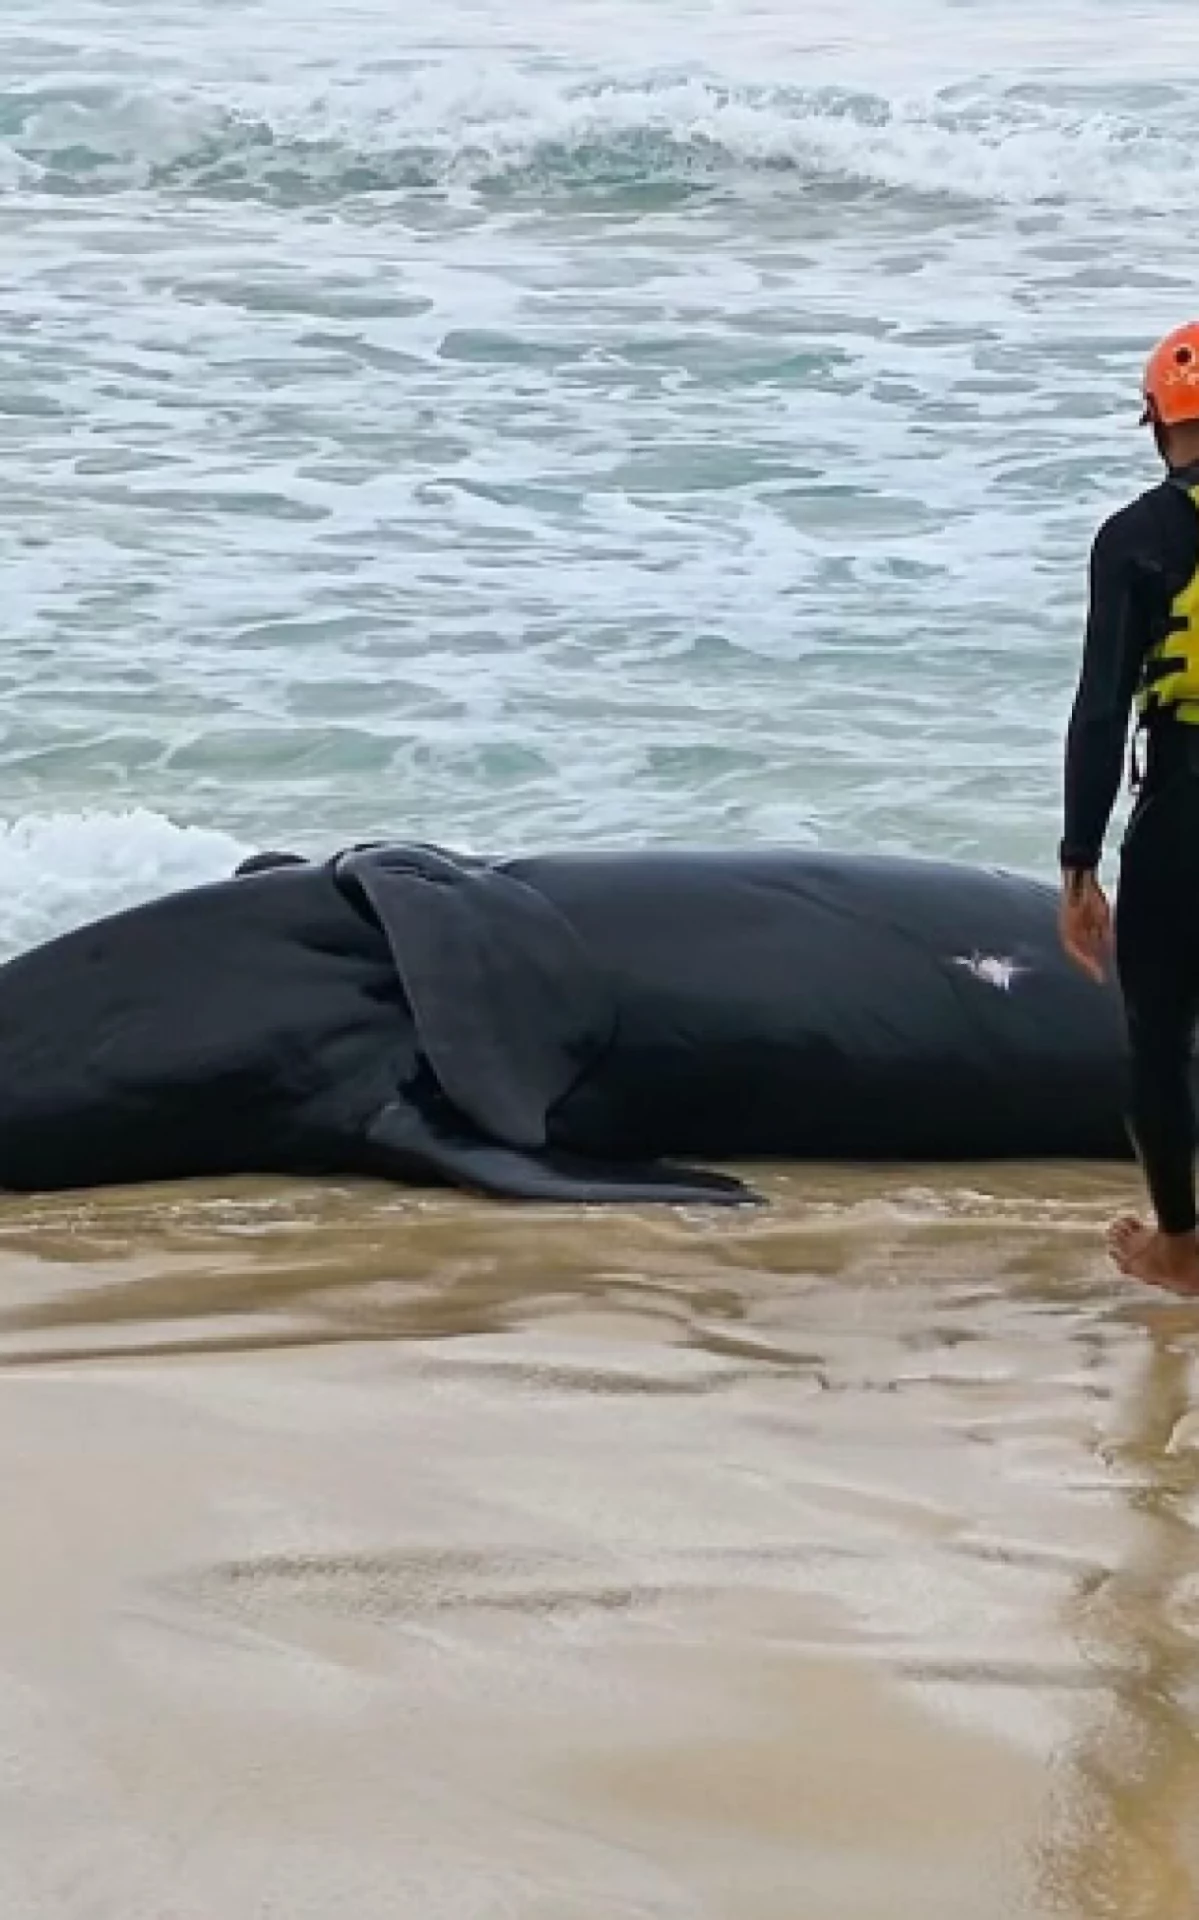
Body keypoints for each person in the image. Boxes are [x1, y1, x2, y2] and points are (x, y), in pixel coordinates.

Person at [1060, 319, 1199, 1293]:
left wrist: (1078, 863)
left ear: (1156, 419)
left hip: (1183, 809)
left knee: (1157, 1033)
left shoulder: (1136, 539)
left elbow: (1102, 708)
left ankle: (1182, 1249)